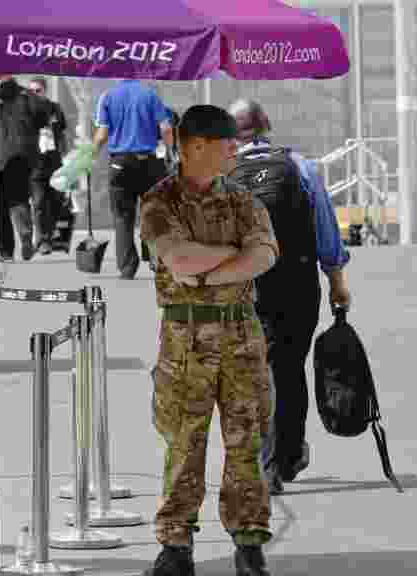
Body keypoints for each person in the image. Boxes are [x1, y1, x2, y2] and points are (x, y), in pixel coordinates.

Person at [138, 105, 278, 576]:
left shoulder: (243, 199)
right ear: (196, 145)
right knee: (184, 442)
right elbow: (177, 257)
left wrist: (207, 272)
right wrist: (227, 258)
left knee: (246, 441)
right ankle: (176, 548)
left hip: (242, 333)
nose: (235, 150)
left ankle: (249, 542)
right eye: (227, 143)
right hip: (185, 340)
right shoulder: (159, 201)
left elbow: (264, 255)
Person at [227, 99, 352, 495]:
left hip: (245, 288)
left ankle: (265, 466)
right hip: (297, 284)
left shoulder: (222, 172)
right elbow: (325, 230)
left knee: (254, 373)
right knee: (290, 369)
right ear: (266, 125)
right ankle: (289, 454)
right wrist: (336, 280)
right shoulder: (299, 166)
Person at [94, 79, 175, 279]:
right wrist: (171, 152)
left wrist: (90, 155)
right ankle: (157, 259)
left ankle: (127, 267)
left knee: (122, 217)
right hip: (149, 163)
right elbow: (165, 128)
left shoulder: (108, 96)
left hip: (119, 163)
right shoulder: (150, 95)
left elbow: (102, 134)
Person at [0, 75, 50, 262]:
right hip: (22, 157)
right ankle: (25, 234)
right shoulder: (27, 96)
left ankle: (6, 252)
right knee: (19, 198)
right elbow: (43, 119)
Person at [26, 77, 68, 255]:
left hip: (54, 162)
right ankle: (42, 240)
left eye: (38, 91)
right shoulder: (25, 109)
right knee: (39, 201)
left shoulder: (55, 108)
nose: (34, 94)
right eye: (31, 91)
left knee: (56, 202)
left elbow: (63, 133)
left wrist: (65, 155)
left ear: (44, 91)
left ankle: (47, 237)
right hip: (35, 163)